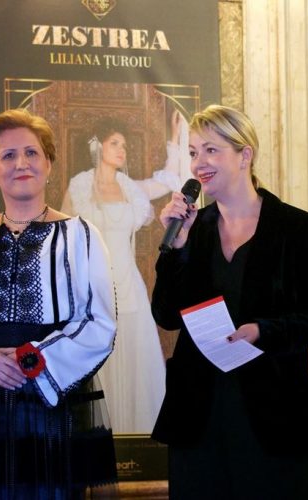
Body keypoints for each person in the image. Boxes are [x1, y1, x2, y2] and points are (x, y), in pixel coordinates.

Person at [150, 104, 308, 500]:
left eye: (211, 150)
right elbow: (165, 315)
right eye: (193, 152)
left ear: (244, 155)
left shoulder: (296, 227)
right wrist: (176, 249)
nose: (199, 163)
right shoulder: (193, 229)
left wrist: (264, 331)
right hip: (199, 416)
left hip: (272, 417)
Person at [0, 108, 118, 498]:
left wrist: (34, 361)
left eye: (31, 153)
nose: (21, 163)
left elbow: (99, 322)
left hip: (53, 409)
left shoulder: (81, 235)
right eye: (8, 155)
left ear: (49, 164)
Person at [61, 111, 190, 434]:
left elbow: (167, 181)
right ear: (98, 146)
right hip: (91, 288)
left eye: (124, 145)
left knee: (135, 357)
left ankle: (140, 437)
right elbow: (64, 239)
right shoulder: (80, 186)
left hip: (129, 286)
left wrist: (175, 140)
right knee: (100, 360)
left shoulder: (130, 188)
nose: (122, 150)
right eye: (114, 143)